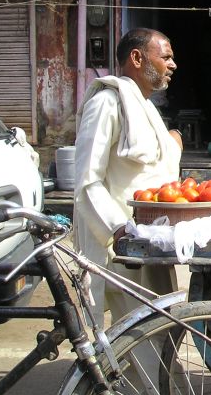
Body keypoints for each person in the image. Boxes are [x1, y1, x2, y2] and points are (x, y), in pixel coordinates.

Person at [74, 27, 182, 326]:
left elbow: (150, 167)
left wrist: (172, 145)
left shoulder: (144, 106)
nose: (172, 65)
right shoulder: (106, 103)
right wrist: (118, 229)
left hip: (150, 238)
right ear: (137, 57)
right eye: (166, 57)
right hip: (121, 244)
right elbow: (86, 180)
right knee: (136, 335)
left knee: (161, 326)